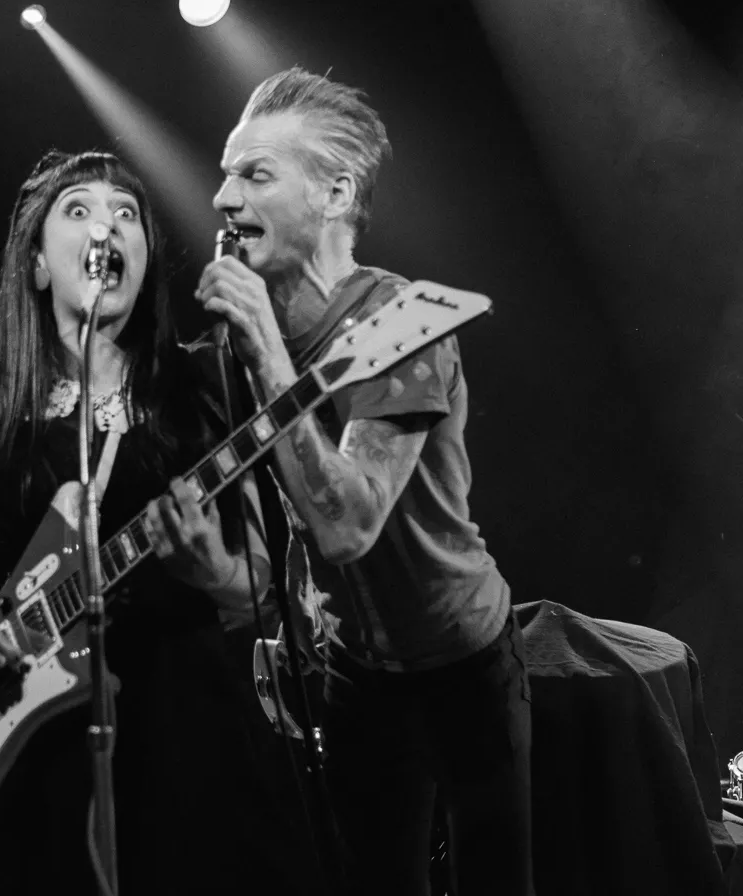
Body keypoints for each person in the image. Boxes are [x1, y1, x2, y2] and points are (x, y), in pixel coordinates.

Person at [0, 150, 294, 896]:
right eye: (77, 209)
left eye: (126, 213)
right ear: (38, 265)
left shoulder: (203, 384)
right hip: (10, 735)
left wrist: (213, 571)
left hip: (174, 735)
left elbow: (260, 585)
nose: (105, 226)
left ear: (144, 260)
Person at [181, 67, 534, 896]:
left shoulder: (404, 321)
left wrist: (266, 353)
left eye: (255, 174)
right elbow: (278, 529)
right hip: (353, 671)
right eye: (226, 174)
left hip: (462, 659)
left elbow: (349, 524)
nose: (223, 198)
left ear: (335, 193)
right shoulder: (241, 344)